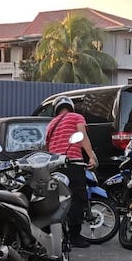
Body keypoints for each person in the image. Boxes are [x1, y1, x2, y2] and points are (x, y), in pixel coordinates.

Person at [44, 96, 98, 249]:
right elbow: (82, 136)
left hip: (54, 165)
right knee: (76, 199)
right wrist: (91, 156)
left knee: (56, 200)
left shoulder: (51, 124)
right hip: (72, 163)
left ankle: (56, 234)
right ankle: (75, 236)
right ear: (71, 106)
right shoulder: (76, 117)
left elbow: (47, 146)